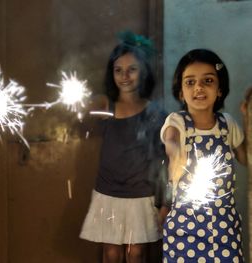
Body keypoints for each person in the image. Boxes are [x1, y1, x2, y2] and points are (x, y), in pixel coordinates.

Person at [79, 31, 170, 263]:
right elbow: (81, 115)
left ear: (144, 71)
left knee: (136, 254)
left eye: (132, 69)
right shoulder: (106, 105)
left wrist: (166, 203)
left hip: (141, 195)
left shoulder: (155, 113)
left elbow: (165, 161)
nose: (125, 76)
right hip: (108, 193)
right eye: (118, 70)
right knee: (111, 253)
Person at [161, 49, 247, 262]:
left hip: (224, 227)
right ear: (181, 92)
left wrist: (248, 118)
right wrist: (176, 155)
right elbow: (171, 140)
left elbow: (246, 158)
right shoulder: (178, 121)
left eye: (208, 80)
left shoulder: (227, 124)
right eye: (190, 82)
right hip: (184, 227)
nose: (198, 87)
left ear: (219, 89)